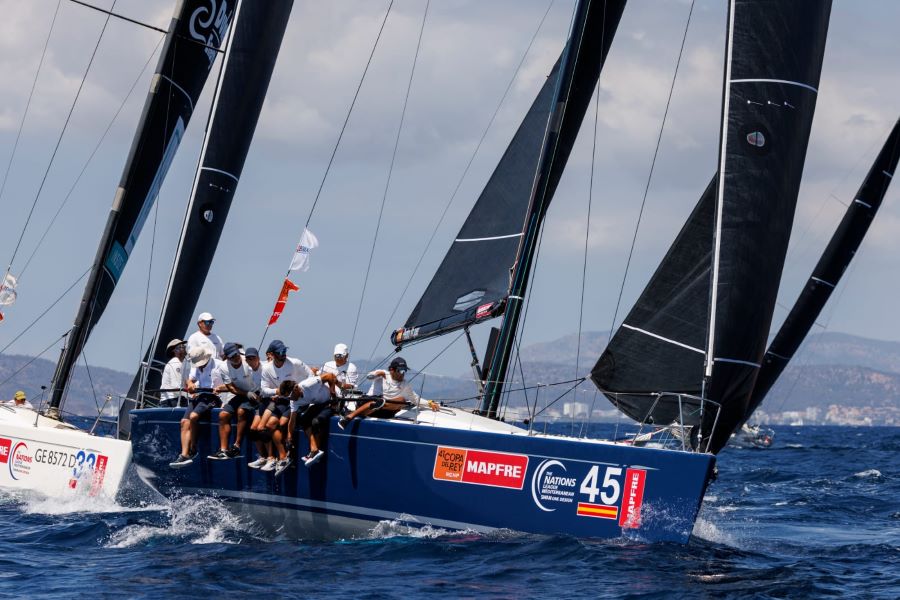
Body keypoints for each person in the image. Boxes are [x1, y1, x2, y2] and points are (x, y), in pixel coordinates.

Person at [339, 357, 438, 429]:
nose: (403, 374)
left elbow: (415, 399)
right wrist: (377, 374)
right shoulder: (384, 374)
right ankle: (348, 418)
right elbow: (369, 376)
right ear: (392, 370)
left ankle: (380, 404)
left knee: (402, 400)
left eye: (405, 371)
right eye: (400, 371)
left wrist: (429, 403)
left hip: (384, 410)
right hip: (367, 404)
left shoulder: (405, 385)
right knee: (375, 402)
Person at [170, 346, 220, 468]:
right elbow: (189, 380)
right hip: (200, 396)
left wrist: (219, 388)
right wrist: (190, 384)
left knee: (193, 416)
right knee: (184, 421)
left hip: (212, 397)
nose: (200, 366)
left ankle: (193, 449)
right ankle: (184, 455)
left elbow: (227, 384)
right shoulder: (197, 366)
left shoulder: (218, 365)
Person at [208, 342, 259, 460]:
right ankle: (223, 450)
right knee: (223, 415)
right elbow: (231, 387)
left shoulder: (248, 362)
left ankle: (237, 446)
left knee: (241, 412)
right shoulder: (223, 367)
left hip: (255, 394)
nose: (236, 358)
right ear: (227, 357)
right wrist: (246, 393)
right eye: (232, 356)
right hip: (241, 394)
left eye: (236, 354)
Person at [288, 372, 338, 469]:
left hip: (331, 402)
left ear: (296, 388)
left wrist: (333, 393)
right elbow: (292, 420)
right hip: (318, 404)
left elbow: (330, 376)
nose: (292, 398)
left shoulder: (308, 384)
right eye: (289, 397)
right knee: (303, 420)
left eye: (292, 395)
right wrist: (289, 436)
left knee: (316, 422)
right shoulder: (293, 400)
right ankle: (314, 449)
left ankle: (316, 451)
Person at [160, 338, 188, 407]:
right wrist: (192, 394)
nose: (184, 348)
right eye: (180, 347)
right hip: (173, 401)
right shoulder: (176, 362)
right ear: (174, 351)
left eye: (183, 346)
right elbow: (176, 386)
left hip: (172, 400)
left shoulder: (179, 363)